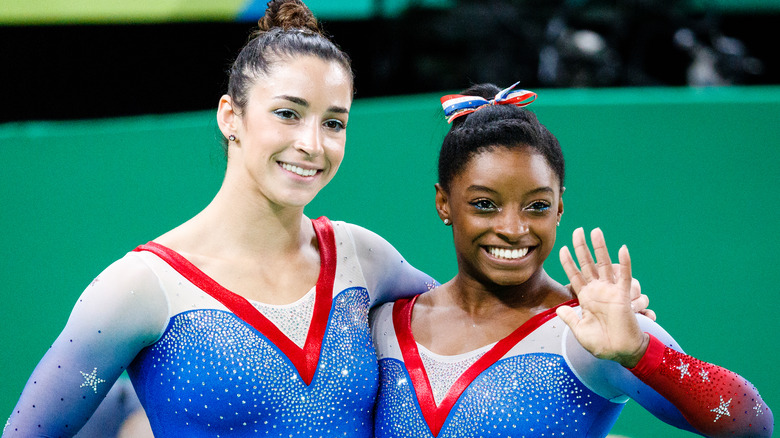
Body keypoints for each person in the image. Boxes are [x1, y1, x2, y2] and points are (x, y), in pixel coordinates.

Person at [3, 1, 440, 436]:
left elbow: (474, 321)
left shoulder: (363, 258)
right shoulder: (138, 287)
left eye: (333, 123)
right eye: (287, 114)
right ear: (231, 116)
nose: (312, 144)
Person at [370, 82, 774, 437]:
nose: (513, 228)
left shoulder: (588, 333)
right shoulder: (384, 325)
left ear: (560, 207)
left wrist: (640, 353)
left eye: (537, 206)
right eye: (484, 204)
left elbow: (753, 422)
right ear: (444, 203)